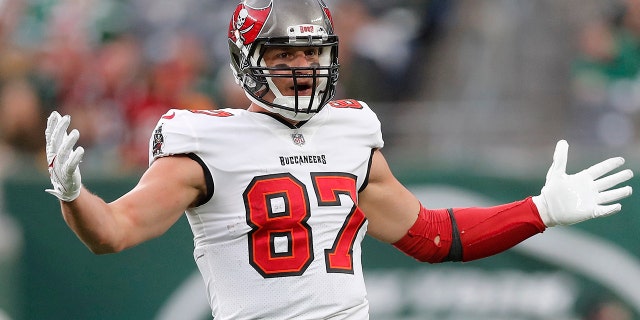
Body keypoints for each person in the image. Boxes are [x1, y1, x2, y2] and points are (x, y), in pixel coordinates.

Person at [44, 0, 634, 319]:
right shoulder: (203, 141)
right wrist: (75, 197)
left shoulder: (352, 128)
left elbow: (432, 235)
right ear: (248, 60)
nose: (302, 66)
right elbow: (113, 234)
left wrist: (538, 210)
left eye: (312, 51)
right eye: (284, 53)